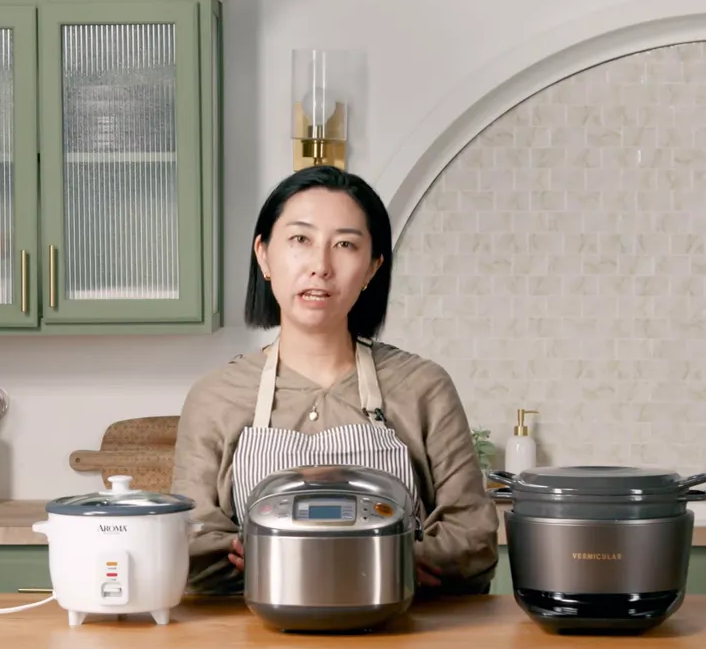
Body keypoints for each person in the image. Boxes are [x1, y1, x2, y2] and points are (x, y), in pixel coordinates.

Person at [170, 165, 500, 597]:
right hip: (257, 646)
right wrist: (381, 558)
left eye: (345, 244)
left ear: (371, 268)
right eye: (300, 240)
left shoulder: (423, 387)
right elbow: (189, 543)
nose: (321, 266)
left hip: (402, 644)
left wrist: (285, 559)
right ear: (264, 254)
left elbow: (473, 542)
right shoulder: (215, 396)